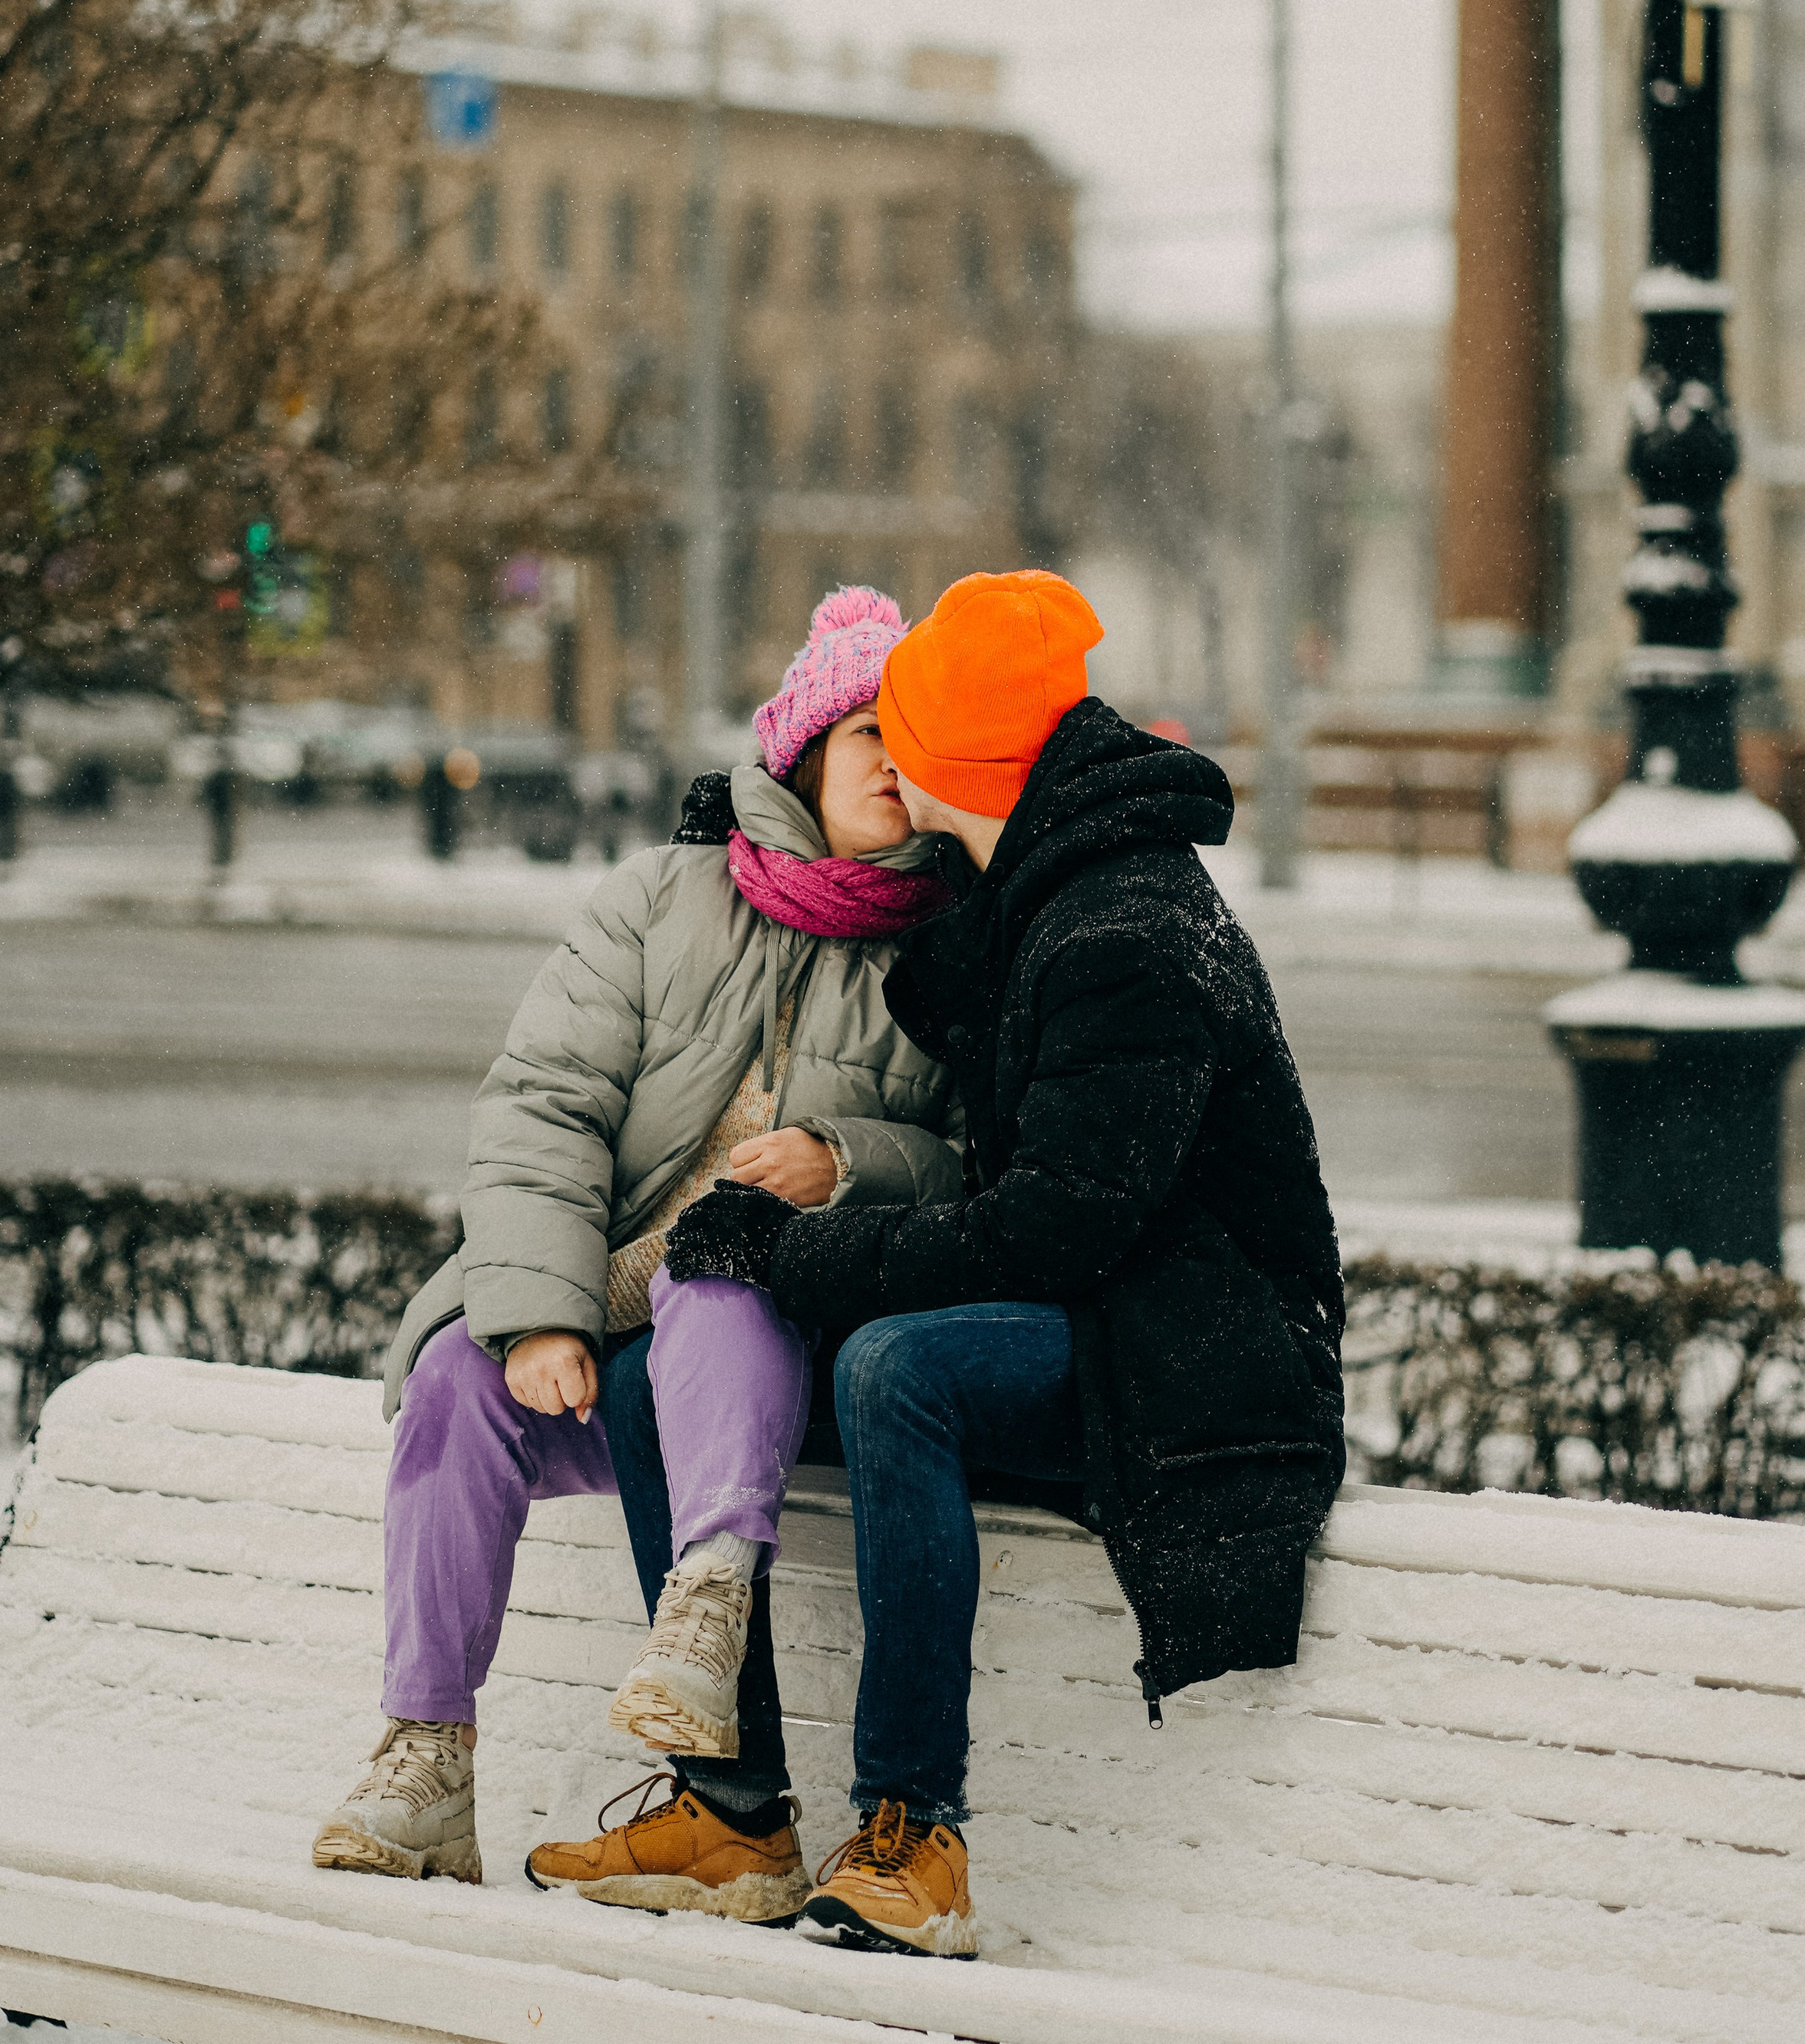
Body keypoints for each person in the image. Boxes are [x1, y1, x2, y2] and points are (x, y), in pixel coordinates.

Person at [660, 568, 1346, 1959]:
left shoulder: (1124, 933)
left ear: (950, 759)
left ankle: (915, 1834)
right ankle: (727, 1805)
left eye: (901, 737)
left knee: (899, 1366)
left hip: (1204, 1355)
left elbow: (1054, 1227)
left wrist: (807, 1253)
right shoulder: (1044, 887)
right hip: (1121, 1312)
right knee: (672, 1377)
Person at [311, 587, 961, 1922]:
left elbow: (977, 1160)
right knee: (452, 1381)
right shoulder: (662, 900)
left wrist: (849, 1162)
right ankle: (427, 1757)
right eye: (865, 738)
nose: (895, 767)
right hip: (613, 1326)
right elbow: (543, 1107)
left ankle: (710, 1603)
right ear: (798, 757)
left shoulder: (954, 947)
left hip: (791, 1343)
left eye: (918, 742)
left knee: (721, 1276)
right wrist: (543, 1318)